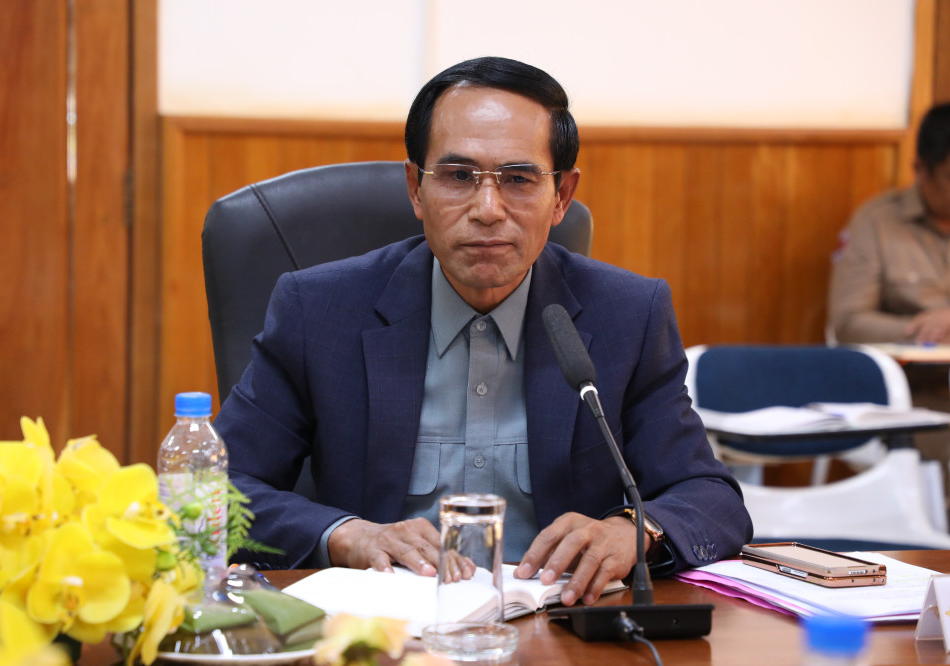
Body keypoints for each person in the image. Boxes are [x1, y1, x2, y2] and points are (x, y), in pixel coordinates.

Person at [215, 56, 752, 606]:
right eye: (458, 177)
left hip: (562, 626)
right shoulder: (320, 310)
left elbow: (710, 498)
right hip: (377, 627)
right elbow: (215, 491)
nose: (488, 209)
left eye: (518, 179)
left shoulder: (626, 314)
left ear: (561, 196)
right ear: (416, 189)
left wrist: (634, 530)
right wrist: (347, 535)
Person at [828, 102, 950, 344]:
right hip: (912, 364)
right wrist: (924, 331)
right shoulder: (876, 222)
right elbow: (848, 322)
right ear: (920, 170)